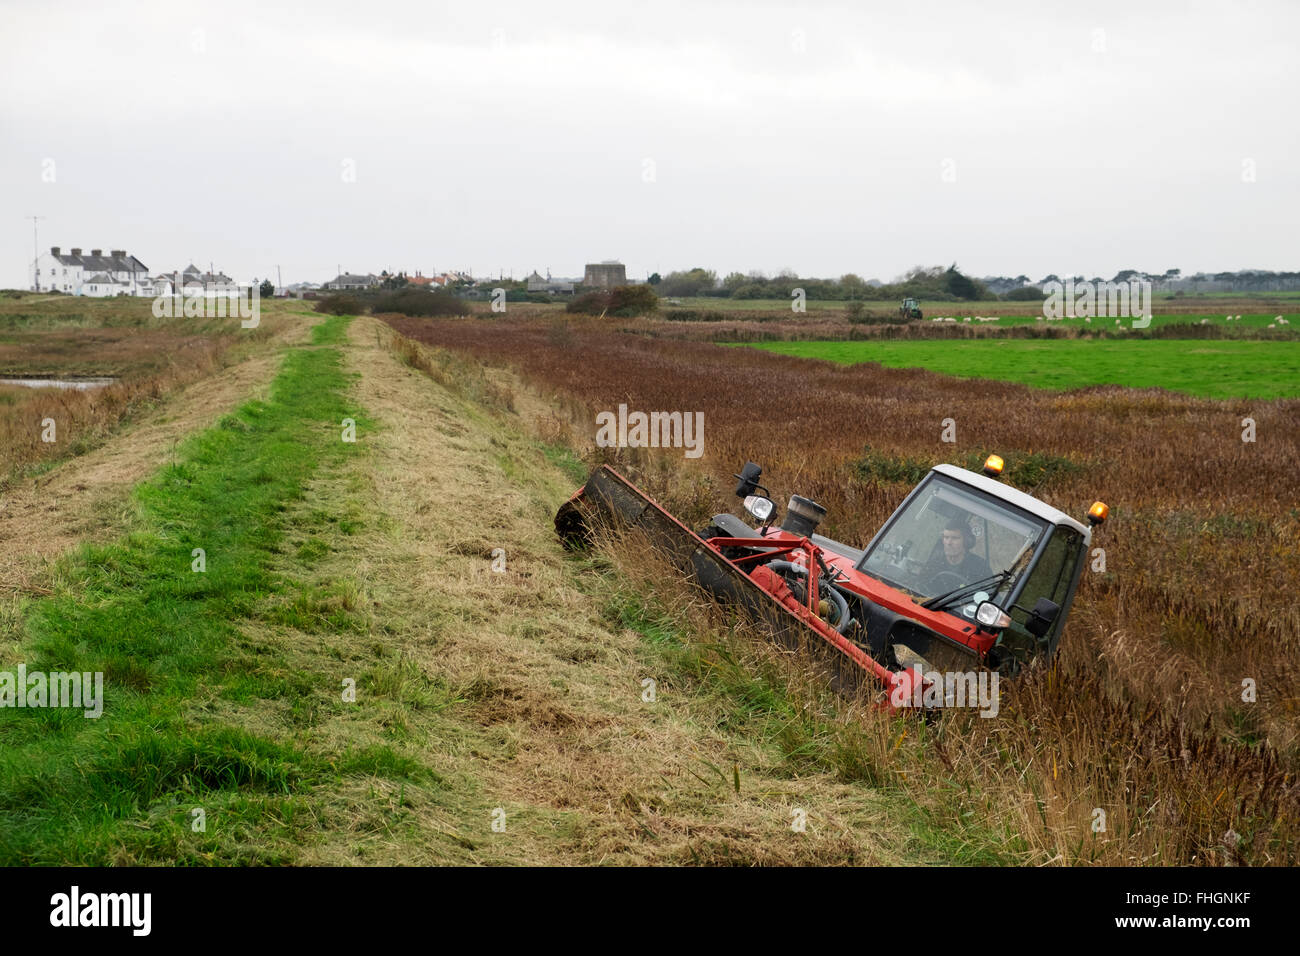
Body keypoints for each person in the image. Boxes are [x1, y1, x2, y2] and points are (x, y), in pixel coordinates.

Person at [923, 518, 990, 589]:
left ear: (966, 541)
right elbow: (919, 588)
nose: (949, 543)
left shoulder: (980, 567)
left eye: (955, 538)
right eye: (946, 537)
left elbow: (991, 595)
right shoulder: (934, 563)